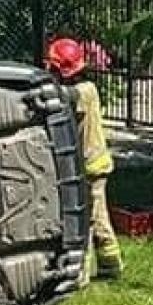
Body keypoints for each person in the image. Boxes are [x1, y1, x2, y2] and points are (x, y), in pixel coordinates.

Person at [46, 36, 122, 283]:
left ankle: (104, 267)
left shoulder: (84, 91)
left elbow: (64, 96)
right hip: (89, 165)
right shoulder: (84, 89)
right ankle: (94, 269)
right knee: (88, 217)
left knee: (93, 219)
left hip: (93, 167)